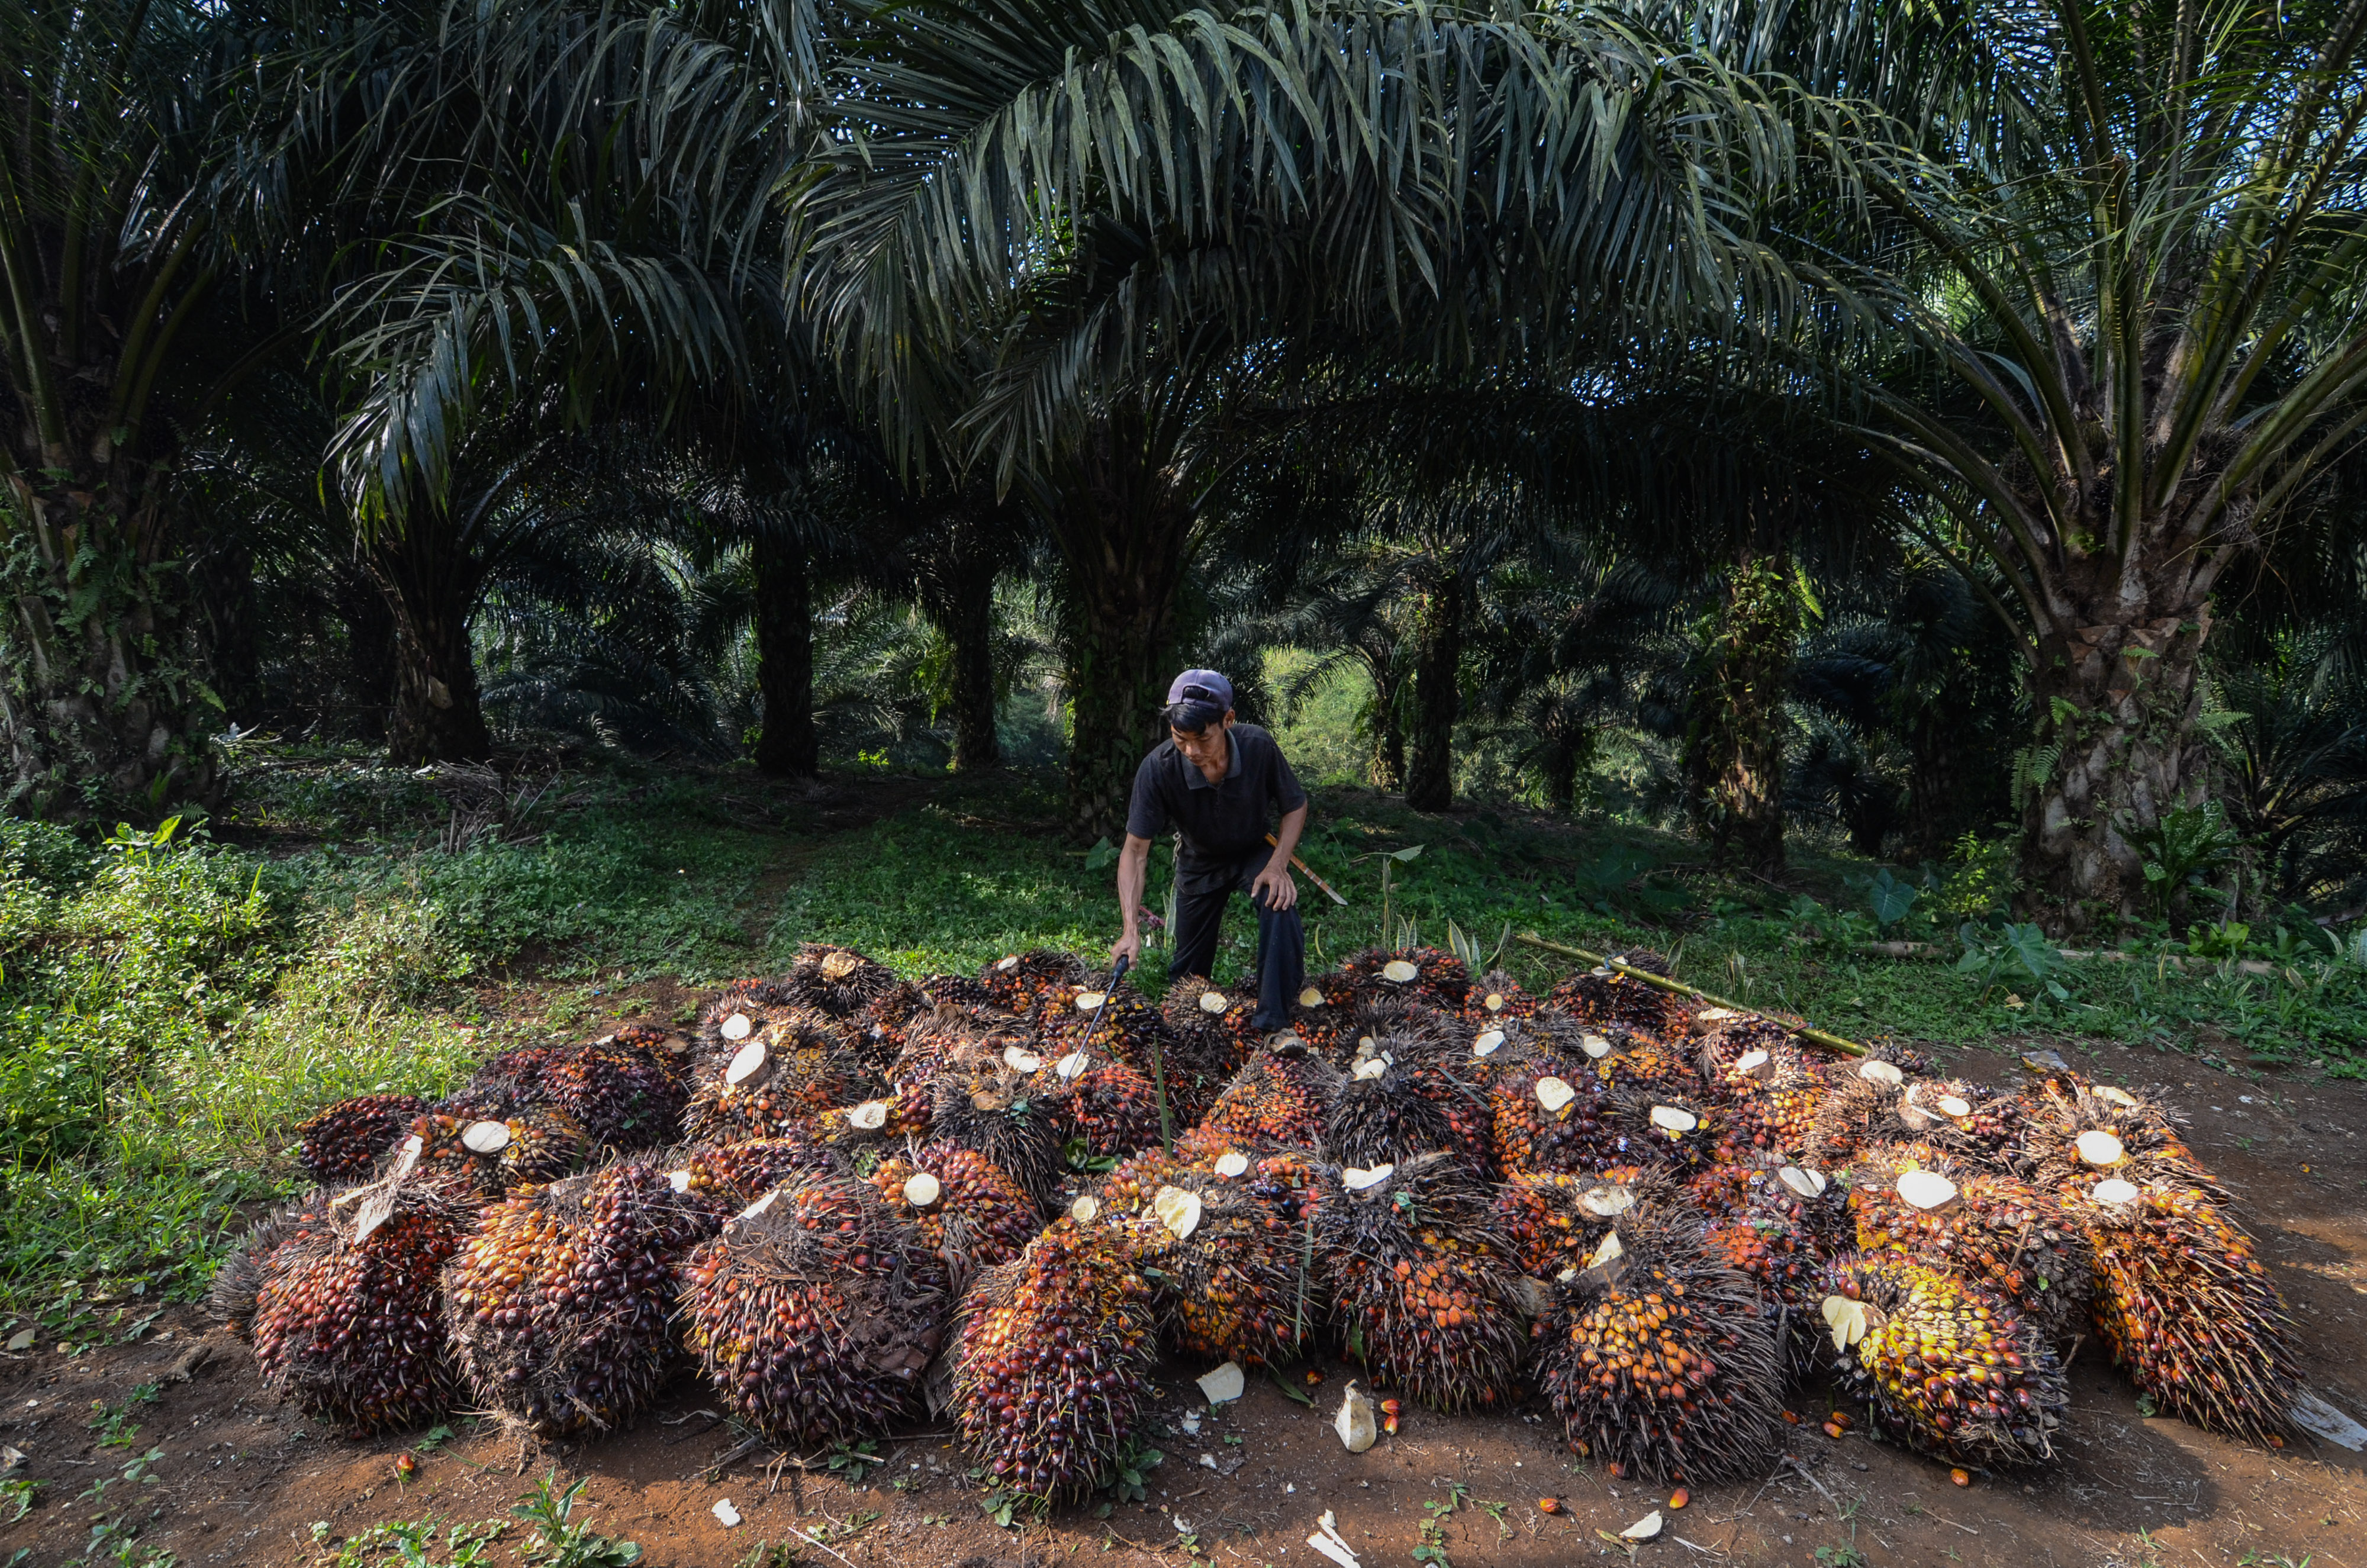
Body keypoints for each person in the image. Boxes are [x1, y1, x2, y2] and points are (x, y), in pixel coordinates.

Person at [1111, 669, 1309, 1035]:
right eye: (1180, 738)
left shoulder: (1258, 746)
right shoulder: (1158, 768)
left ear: (1228, 720)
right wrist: (1130, 928)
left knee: (1279, 905)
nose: (1192, 751)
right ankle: (1190, 1036)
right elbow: (1135, 851)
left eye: (1203, 738)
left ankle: (1274, 1024)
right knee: (1187, 977)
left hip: (1254, 852)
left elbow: (1295, 805)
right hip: (1199, 860)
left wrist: (1279, 866)